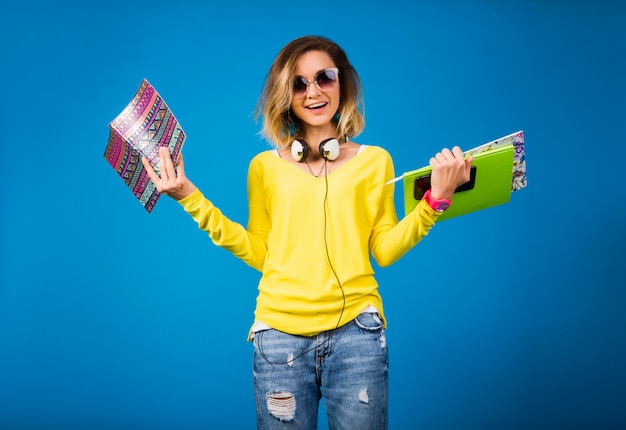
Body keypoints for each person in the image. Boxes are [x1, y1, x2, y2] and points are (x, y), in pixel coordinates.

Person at [142, 35, 473, 430]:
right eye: (298, 83)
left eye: (324, 78)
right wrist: (188, 196)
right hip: (279, 339)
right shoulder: (264, 167)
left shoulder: (376, 161)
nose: (313, 92)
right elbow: (262, 253)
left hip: (357, 335)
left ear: (342, 83)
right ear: (285, 95)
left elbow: (383, 250)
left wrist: (435, 201)